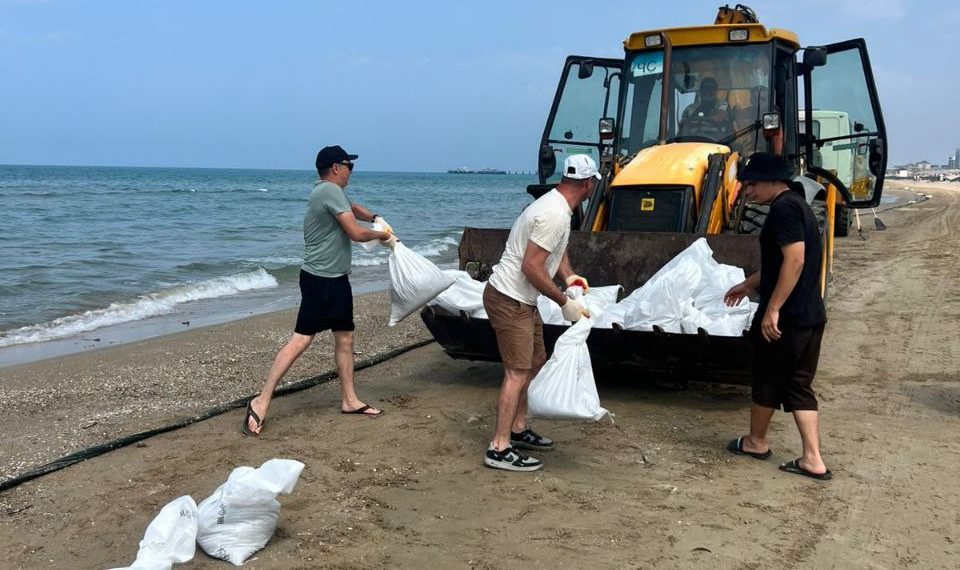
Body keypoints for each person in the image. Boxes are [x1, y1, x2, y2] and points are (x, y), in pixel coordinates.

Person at [242, 145, 396, 436]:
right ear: (336, 168)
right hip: (319, 280)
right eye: (349, 165)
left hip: (336, 279)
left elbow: (354, 210)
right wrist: (384, 236)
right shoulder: (328, 191)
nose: (352, 171)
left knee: (345, 338)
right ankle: (261, 401)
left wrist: (375, 217)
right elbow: (355, 233)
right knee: (301, 341)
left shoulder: (332, 193)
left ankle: (350, 400)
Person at [481, 154, 598, 471]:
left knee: (535, 362)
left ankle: (518, 429)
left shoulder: (559, 206)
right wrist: (564, 301)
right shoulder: (554, 214)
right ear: (588, 184)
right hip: (509, 299)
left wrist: (569, 276)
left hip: (523, 300)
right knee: (516, 372)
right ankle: (499, 448)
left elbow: (554, 251)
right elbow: (531, 266)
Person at [723, 152, 832, 480]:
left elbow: (794, 261)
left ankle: (757, 441)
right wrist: (748, 283)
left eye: (752, 183)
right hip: (811, 314)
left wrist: (772, 309)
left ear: (774, 181)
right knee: (799, 384)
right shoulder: (798, 206)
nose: (747, 190)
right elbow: (780, 264)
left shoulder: (783, 210)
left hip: (788, 317)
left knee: (767, 378)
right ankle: (812, 458)